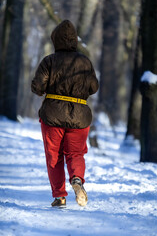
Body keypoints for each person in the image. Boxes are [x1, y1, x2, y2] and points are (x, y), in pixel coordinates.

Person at [31, 20, 99, 207]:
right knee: (75, 153)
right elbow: (93, 87)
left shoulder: (49, 61)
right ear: (74, 41)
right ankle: (77, 180)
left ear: (56, 40)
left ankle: (60, 196)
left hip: (52, 115)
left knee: (54, 156)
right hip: (80, 116)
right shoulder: (85, 62)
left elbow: (37, 87)